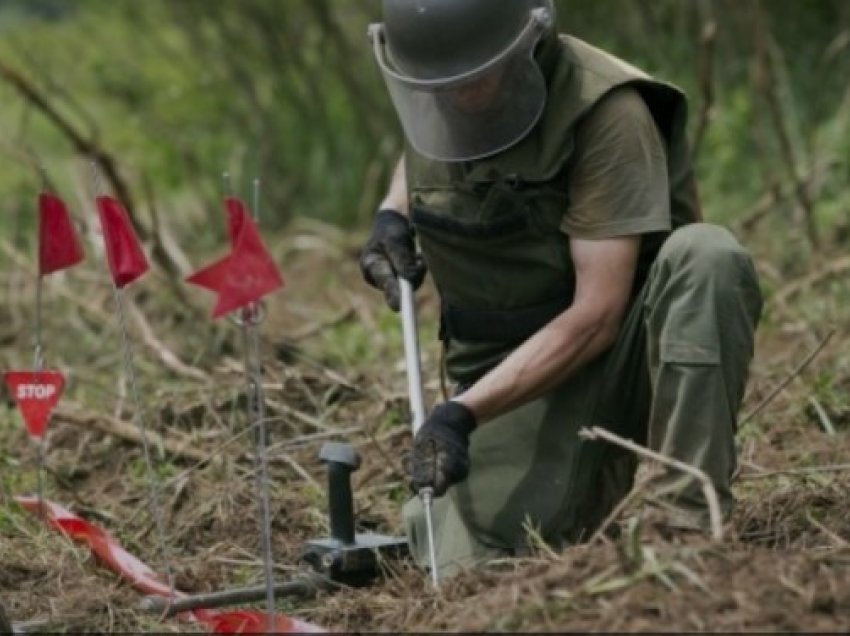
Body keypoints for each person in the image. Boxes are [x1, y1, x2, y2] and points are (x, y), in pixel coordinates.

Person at [359, 0, 763, 579]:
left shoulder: (606, 114)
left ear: (528, 39)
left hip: (616, 359)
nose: (460, 96)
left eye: (477, 77)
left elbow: (597, 316)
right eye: (440, 86)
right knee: (473, 565)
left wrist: (458, 415)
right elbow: (427, 142)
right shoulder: (443, 85)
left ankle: (686, 526)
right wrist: (392, 214)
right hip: (505, 378)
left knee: (709, 256)